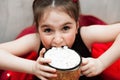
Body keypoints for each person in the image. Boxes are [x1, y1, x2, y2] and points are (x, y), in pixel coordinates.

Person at [0, 0, 120, 80]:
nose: (57, 40)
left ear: (77, 26)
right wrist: (32, 67)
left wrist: (102, 62)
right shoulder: (35, 41)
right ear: (37, 29)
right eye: (48, 30)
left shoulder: (86, 35)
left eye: (66, 28)